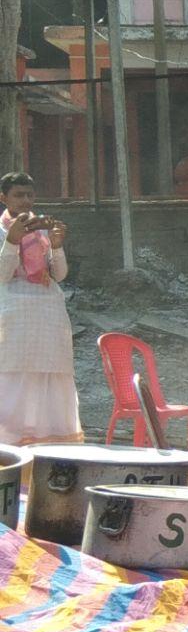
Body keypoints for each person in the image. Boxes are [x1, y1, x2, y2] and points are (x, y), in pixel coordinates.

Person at [0, 171, 79, 446]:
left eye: (29, 195)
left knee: (51, 375)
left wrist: (56, 247)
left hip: (48, 312)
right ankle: (9, 443)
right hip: (14, 313)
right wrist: (11, 241)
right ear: (3, 198)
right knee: (13, 375)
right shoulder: (1, 230)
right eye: (18, 195)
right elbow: (2, 275)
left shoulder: (42, 228)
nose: (25, 201)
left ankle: (50, 445)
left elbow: (59, 274)